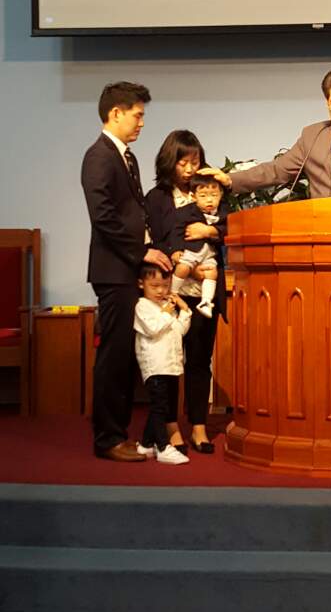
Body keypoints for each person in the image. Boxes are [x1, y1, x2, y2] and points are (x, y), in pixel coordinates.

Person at [81, 81, 171, 463]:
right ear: (115, 113)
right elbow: (103, 218)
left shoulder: (125, 156)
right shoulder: (99, 156)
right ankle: (107, 439)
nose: (142, 122)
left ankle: (118, 433)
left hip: (127, 267)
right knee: (114, 357)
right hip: (113, 270)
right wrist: (142, 251)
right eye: (137, 115)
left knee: (125, 356)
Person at [204, 66, 331, 201]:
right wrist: (230, 179)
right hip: (320, 232)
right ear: (327, 102)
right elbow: (277, 170)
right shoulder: (313, 136)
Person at [145, 130, 228, 455]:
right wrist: (184, 264)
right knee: (169, 361)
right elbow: (153, 242)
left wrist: (211, 231)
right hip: (170, 290)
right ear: (170, 162)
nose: (190, 169)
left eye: (195, 161)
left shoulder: (210, 190)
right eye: (183, 163)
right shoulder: (157, 198)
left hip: (204, 291)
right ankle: (169, 427)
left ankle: (198, 426)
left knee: (199, 360)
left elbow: (229, 227)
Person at [134, 264, 191, 465]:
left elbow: (179, 331)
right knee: (159, 406)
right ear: (141, 284)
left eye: (165, 286)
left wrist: (184, 311)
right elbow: (153, 328)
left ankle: (146, 444)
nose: (160, 291)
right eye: (154, 286)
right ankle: (163, 446)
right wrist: (166, 312)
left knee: (163, 406)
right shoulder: (142, 306)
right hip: (155, 366)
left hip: (171, 365)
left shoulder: (166, 306)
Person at [170, 173, 226, 320]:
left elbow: (228, 230)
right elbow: (176, 231)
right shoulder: (186, 212)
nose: (209, 200)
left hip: (210, 253)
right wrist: (176, 250)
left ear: (221, 195)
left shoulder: (224, 212)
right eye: (203, 196)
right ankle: (172, 293)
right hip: (191, 250)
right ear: (193, 197)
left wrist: (209, 231)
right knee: (182, 267)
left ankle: (206, 302)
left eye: (214, 195)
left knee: (212, 273)